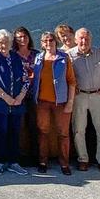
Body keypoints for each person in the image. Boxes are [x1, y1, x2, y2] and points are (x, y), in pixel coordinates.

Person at [0, 29, 30, 175]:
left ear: (11, 43)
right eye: (0, 43)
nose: (3, 45)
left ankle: (14, 162)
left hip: (17, 103)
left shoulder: (17, 58)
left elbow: (26, 78)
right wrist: (6, 97)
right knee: (0, 132)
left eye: (6, 42)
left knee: (15, 132)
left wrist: (21, 96)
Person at [68, 28, 100, 173]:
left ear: (91, 40)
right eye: (81, 38)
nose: (84, 41)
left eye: (86, 39)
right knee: (79, 130)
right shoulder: (70, 55)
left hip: (98, 95)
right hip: (79, 96)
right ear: (75, 40)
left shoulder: (99, 53)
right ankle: (83, 159)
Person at [32, 31, 76, 174]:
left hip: (61, 102)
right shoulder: (38, 58)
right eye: (45, 41)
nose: (48, 43)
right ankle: (43, 161)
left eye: (51, 40)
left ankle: (64, 164)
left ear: (55, 41)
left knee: (63, 133)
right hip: (42, 102)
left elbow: (71, 81)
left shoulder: (64, 58)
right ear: (42, 43)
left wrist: (70, 102)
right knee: (42, 132)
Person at [13, 26, 40, 165]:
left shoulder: (37, 54)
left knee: (34, 126)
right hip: (17, 96)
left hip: (34, 95)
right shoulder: (12, 55)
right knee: (18, 127)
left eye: (24, 36)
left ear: (29, 37)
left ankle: (36, 156)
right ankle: (19, 157)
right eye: (19, 37)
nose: (22, 39)